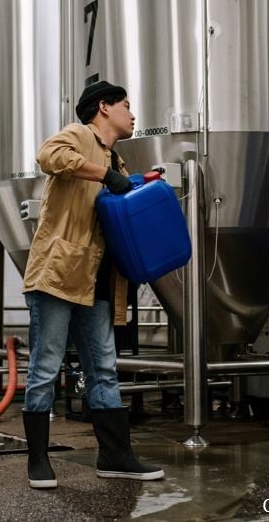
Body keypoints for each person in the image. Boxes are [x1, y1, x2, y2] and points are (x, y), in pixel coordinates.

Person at [21, 81, 165, 489]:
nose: (133, 115)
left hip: (98, 281)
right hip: (59, 274)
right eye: (126, 106)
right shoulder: (80, 135)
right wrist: (106, 175)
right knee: (46, 366)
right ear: (104, 107)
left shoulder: (116, 162)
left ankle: (115, 456)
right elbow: (49, 155)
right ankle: (38, 460)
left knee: (103, 369)